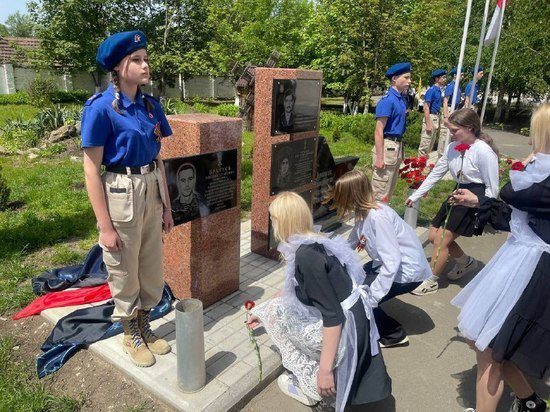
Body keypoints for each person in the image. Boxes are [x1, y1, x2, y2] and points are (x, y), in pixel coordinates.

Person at [247, 192, 391, 411]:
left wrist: (324, 372)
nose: (272, 223)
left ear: (283, 221)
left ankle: (313, 385)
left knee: (279, 318)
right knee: (275, 308)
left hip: (346, 328)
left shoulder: (307, 257)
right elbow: (291, 288)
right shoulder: (312, 241)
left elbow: (333, 317)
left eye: (274, 218)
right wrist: (261, 310)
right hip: (355, 317)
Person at [81, 31, 173, 367]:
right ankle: (128, 332)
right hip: (121, 190)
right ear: (119, 68)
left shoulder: (150, 107)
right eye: (137, 60)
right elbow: (91, 170)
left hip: (151, 187)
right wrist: (105, 226)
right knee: (123, 269)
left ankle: (144, 324)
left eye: (145, 58)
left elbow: (159, 157)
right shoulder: (101, 108)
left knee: (150, 266)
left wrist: (167, 206)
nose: (145, 64)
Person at [451, 103, 550, 412]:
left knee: (490, 348)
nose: (532, 141)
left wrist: (522, 171)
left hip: (535, 270)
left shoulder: (541, 177)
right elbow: (516, 216)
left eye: (537, 133)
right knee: (482, 340)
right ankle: (530, 401)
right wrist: (479, 202)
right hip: (518, 260)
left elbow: (517, 195)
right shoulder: (540, 172)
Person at [329, 170, 432, 348]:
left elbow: (392, 263)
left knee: (360, 296)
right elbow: (353, 240)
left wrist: (373, 296)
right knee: (356, 280)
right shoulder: (364, 211)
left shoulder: (378, 217)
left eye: (341, 197)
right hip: (388, 263)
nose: (339, 202)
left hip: (407, 271)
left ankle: (394, 335)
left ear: (351, 195)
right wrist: (331, 254)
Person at [406, 108, 499, 296]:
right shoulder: (452, 147)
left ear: (470, 128)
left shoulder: (483, 151)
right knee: (433, 236)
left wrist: (481, 206)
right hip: (457, 191)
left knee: (441, 240)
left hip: (474, 195)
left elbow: (493, 188)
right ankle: (466, 262)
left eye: (455, 130)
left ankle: (431, 280)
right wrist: (416, 195)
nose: (451, 133)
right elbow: (436, 173)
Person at [372, 62, 412, 202]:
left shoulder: (400, 99)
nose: (409, 81)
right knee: (380, 190)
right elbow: (378, 130)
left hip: (396, 147)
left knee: (388, 190)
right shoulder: (388, 101)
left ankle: (382, 220)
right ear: (394, 78)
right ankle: (373, 221)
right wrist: (379, 157)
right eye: (406, 77)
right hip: (387, 146)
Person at [418, 69, 448, 159]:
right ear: (437, 79)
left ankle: (424, 167)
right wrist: (428, 124)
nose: (445, 79)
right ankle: (419, 169)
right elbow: (426, 107)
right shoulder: (431, 90)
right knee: (425, 145)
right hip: (431, 117)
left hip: (436, 117)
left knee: (430, 146)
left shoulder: (438, 90)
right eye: (443, 77)